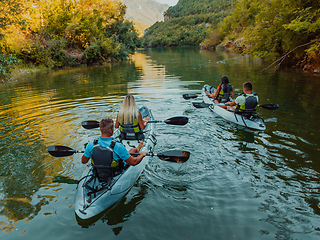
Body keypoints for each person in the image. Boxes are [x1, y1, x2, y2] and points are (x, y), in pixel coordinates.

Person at [81, 118, 147, 170]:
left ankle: (137, 148)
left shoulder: (91, 144)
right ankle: (138, 148)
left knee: (133, 150)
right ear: (110, 131)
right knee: (134, 150)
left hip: (98, 171)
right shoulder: (118, 146)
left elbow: (83, 161)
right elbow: (134, 162)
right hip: (115, 172)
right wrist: (142, 155)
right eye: (113, 128)